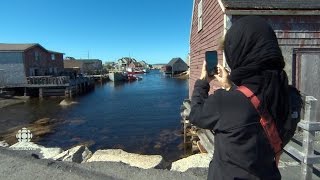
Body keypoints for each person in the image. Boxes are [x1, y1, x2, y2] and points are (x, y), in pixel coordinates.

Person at [189, 16, 289, 180]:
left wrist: (203, 82)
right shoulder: (289, 96)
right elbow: (252, 108)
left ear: (237, 52)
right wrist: (232, 87)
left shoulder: (224, 102)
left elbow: (196, 115)